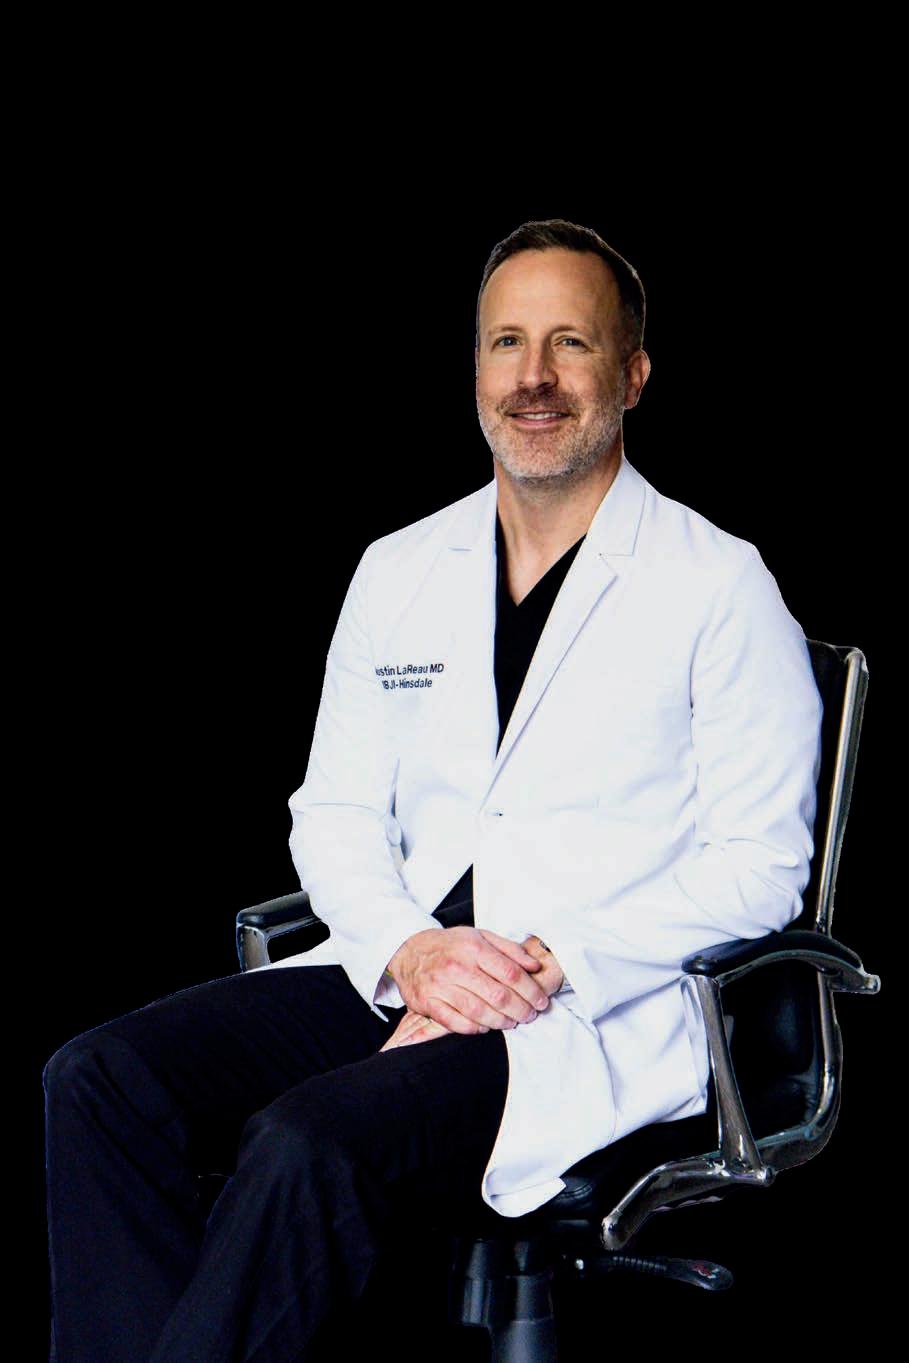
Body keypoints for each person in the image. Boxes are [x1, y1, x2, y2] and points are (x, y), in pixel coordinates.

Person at [43, 218, 823, 1361]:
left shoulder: (718, 584)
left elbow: (761, 867)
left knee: (307, 1140)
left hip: (573, 1004)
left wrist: (539, 963)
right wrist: (412, 953)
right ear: (476, 370)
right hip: (399, 963)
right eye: (507, 342)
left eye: (571, 343)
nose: (534, 375)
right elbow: (336, 813)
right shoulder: (400, 568)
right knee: (98, 1081)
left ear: (633, 374)